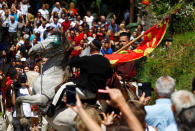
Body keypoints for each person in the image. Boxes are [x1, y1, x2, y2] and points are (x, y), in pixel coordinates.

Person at [47, 39, 113, 117]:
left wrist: (77, 51)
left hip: (86, 92)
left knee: (65, 87)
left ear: (90, 48)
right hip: (98, 94)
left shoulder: (87, 59)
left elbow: (71, 61)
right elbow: (109, 75)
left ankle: (52, 109)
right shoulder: (106, 61)